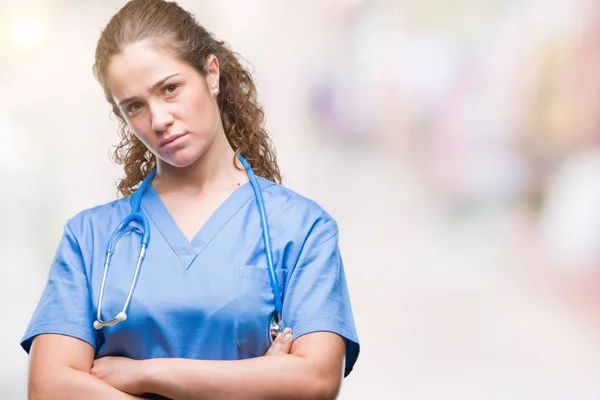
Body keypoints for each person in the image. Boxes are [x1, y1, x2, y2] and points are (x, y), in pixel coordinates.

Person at [20, 0, 360, 399]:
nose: (159, 119)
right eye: (135, 106)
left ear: (211, 74)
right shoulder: (91, 238)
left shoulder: (300, 229)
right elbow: (49, 386)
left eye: (170, 89)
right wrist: (261, 376)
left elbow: (316, 380)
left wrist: (149, 374)